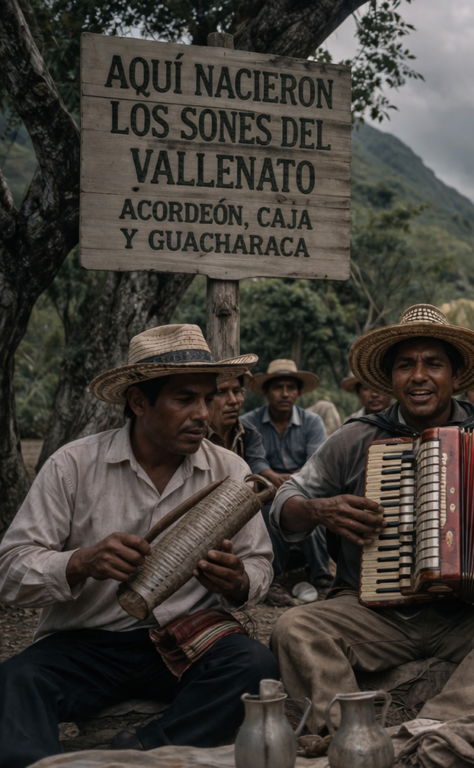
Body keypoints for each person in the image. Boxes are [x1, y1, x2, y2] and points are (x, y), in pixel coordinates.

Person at [267, 305, 474, 734]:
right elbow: (286, 499)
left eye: (433, 364)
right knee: (292, 627)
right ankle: (353, 734)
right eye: (405, 365)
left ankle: (430, 731)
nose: (418, 376)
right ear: (389, 378)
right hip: (373, 613)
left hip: (469, 615)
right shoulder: (356, 437)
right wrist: (322, 510)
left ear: (455, 376)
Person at [0, 325, 275, 766]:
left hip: (185, 641)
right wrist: (81, 562)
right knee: (15, 681)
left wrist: (239, 581)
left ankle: (143, 750)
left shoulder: (230, 470)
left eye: (208, 398)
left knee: (254, 665)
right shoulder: (73, 465)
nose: (204, 413)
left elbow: (258, 563)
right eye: (185, 399)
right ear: (138, 402)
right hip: (87, 644)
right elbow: (11, 572)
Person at [241, 359, 331, 603]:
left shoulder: (312, 421)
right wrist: (271, 476)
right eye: (278, 387)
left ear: (298, 392)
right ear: (267, 392)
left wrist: (292, 481)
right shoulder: (250, 421)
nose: (285, 393)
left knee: (310, 511)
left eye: (291, 387)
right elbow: (254, 460)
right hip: (265, 487)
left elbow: (316, 462)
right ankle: (274, 578)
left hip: (304, 485)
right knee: (268, 511)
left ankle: (323, 578)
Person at [207, 370, 269, 477]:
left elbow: (256, 462)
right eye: (220, 392)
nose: (233, 400)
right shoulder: (196, 436)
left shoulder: (249, 433)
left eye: (237, 391)